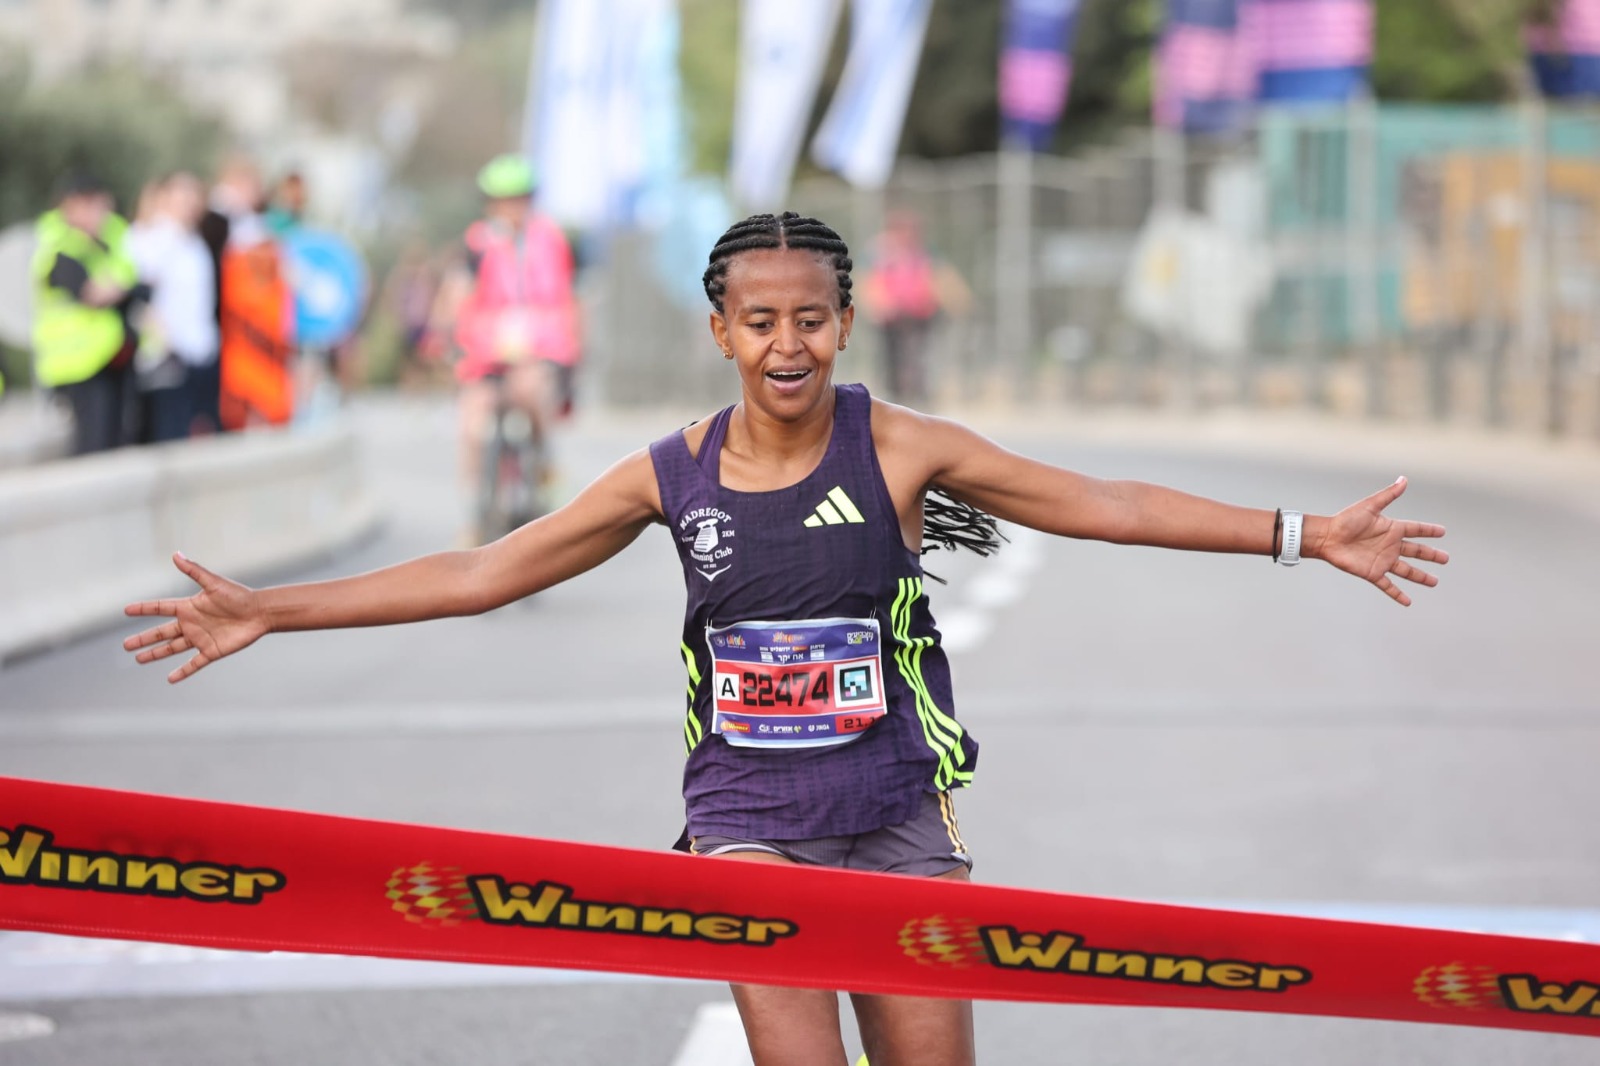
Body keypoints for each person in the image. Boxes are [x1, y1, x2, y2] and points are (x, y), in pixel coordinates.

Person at [122, 212, 1448, 1065]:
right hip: (747, 817)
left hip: (895, 815)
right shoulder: (668, 474)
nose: (787, 342)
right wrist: (269, 608)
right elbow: (484, 569)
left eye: (810, 317)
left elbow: (1095, 503)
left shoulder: (904, 447)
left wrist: (1300, 532)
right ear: (723, 332)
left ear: (842, 324)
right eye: (760, 321)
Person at [431, 153, 581, 539]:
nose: (511, 208)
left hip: (539, 348)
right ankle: (474, 512)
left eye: (519, 199)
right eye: (503, 200)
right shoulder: (477, 243)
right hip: (486, 352)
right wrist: (445, 332)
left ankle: (543, 465)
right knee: (471, 423)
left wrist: (571, 350)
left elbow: (567, 299)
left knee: (533, 396)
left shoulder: (551, 241)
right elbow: (457, 289)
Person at [30, 171, 148, 455]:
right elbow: (93, 293)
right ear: (72, 205)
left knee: (116, 439)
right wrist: (121, 285)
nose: (102, 214)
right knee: (93, 443)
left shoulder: (106, 240)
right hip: (79, 363)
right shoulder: (60, 246)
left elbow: (130, 281)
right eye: (95, 206)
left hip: (110, 356)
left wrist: (120, 285)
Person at [127, 171, 219, 443]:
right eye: (183, 194)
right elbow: (137, 298)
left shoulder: (194, 241)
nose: (190, 202)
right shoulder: (150, 240)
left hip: (200, 354)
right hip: (168, 361)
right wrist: (162, 341)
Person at [860, 210, 970, 406]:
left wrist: (957, 302)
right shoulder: (879, 252)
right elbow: (869, 282)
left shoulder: (924, 252)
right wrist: (878, 305)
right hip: (891, 316)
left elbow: (942, 277)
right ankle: (894, 395)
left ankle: (920, 394)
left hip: (920, 313)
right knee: (892, 358)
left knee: (920, 355)